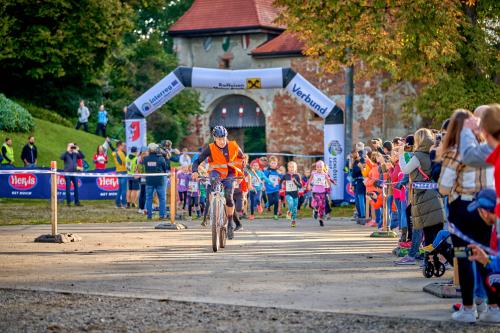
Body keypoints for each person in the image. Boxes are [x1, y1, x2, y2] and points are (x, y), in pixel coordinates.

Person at [438, 109, 497, 323]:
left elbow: (444, 187)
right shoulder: (487, 150)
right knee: (486, 257)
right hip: (487, 208)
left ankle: (467, 308)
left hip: (462, 208)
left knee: (463, 258)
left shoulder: (455, 152)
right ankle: (493, 306)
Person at [396, 128, 445, 265]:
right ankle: (428, 257)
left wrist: (401, 155)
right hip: (433, 194)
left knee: (423, 227)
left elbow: (405, 169)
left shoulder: (418, 156)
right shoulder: (433, 154)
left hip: (422, 196)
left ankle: (426, 258)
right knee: (431, 228)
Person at [192, 125, 245, 240]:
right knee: (213, 187)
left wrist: (241, 174)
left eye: (223, 138)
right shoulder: (210, 148)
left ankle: (230, 223)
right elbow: (197, 161)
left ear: (226, 137)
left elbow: (242, 159)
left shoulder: (234, 146)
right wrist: (195, 171)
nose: (222, 141)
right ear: (214, 138)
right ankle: (213, 210)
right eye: (219, 139)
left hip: (230, 173)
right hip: (216, 172)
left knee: (229, 197)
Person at [142, 143, 167, 220]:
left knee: (149, 198)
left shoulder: (145, 159)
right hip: (159, 181)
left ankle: (149, 216)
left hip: (149, 180)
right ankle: (162, 215)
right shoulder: (161, 158)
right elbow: (165, 169)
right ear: (157, 149)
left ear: (149, 149)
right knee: (162, 198)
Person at [307, 160, 330, 227]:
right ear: (316, 167)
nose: (319, 168)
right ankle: (316, 209)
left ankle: (320, 218)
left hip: (322, 191)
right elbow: (310, 180)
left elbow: (328, 181)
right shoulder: (313, 173)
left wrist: (328, 186)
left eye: (321, 167)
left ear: (323, 167)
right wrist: (308, 185)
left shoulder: (324, 174)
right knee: (318, 202)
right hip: (315, 191)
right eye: (318, 167)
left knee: (322, 206)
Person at [281, 161, 302, 228]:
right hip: (288, 193)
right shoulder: (285, 176)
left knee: (295, 209)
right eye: (290, 167)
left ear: (295, 168)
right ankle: (289, 212)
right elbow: (280, 182)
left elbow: (300, 186)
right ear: (288, 168)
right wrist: (280, 188)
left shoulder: (297, 176)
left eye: (293, 167)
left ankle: (293, 220)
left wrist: (295, 181)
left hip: (295, 194)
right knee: (291, 203)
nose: (291, 168)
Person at [264, 156, 282, 220]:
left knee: (277, 201)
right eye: (272, 163)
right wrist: (263, 186)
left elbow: (282, 178)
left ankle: (275, 214)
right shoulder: (267, 171)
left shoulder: (277, 171)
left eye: (275, 163)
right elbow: (264, 178)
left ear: (277, 164)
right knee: (271, 201)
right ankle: (268, 203)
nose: (274, 164)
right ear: (269, 163)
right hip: (269, 189)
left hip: (276, 189)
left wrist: (280, 174)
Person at [111, 141, 127, 208]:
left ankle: (117, 204)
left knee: (119, 189)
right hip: (123, 171)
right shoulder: (121, 153)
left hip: (118, 171)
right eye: (122, 146)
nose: (123, 147)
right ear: (119, 146)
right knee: (123, 189)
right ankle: (124, 204)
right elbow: (125, 162)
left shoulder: (114, 153)